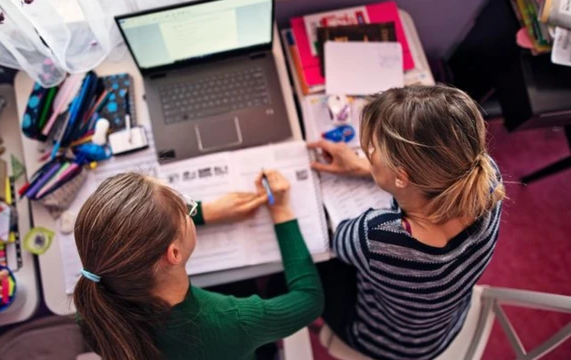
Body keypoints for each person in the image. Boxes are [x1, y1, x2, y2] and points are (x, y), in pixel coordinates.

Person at [308, 85, 505, 360]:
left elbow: (338, 242)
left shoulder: (379, 236)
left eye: (372, 149)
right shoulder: (485, 177)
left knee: (290, 277)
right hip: (445, 325)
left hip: (388, 343)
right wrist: (367, 170)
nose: (368, 153)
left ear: (402, 177)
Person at [72, 170, 323, 360]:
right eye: (186, 212)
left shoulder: (97, 310)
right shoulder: (234, 321)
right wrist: (281, 211)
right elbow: (310, 300)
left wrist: (208, 212)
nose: (190, 211)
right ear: (174, 254)